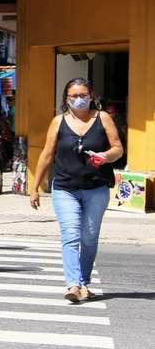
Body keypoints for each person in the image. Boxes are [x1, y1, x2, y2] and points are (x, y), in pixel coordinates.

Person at [30, 78, 123, 302]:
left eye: (83, 95)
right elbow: (46, 154)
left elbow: (118, 148)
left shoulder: (103, 118)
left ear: (91, 95)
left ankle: (83, 282)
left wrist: (106, 156)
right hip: (65, 188)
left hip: (96, 188)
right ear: (66, 99)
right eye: (74, 96)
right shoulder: (58, 121)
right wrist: (34, 187)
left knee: (89, 238)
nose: (79, 99)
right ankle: (72, 284)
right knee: (70, 236)